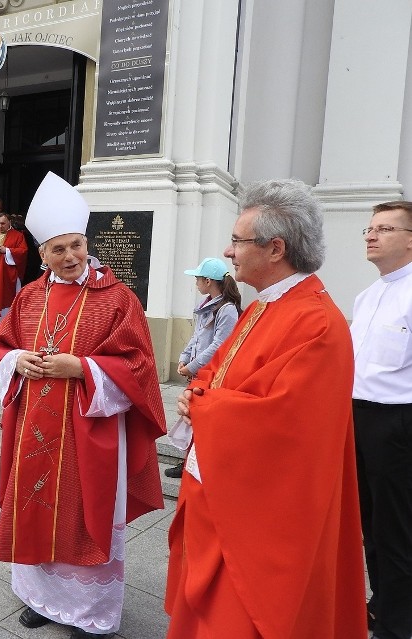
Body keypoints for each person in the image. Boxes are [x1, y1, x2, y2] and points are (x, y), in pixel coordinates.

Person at [165, 180, 367, 638]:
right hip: (223, 492)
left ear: (275, 248)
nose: (228, 251)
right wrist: (194, 393)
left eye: (237, 240)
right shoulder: (264, 307)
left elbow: (288, 424)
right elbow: (217, 370)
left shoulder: (317, 322)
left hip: (261, 524)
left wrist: (206, 407)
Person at [0, 172, 166, 639]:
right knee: (34, 507)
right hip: (35, 430)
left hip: (90, 430)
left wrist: (82, 368)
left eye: (77, 246)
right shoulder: (28, 297)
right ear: (42, 254)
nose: (70, 257)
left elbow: (140, 366)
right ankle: (41, 599)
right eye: (58, 249)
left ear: (89, 244)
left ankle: (88, 611)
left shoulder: (118, 299)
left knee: (83, 515)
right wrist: (17, 360)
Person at [350, 200, 412, 639]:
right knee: (368, 523)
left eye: (385, 229)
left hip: (399, 426)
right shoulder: (367, 295)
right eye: (370, 228)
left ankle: (398, 622)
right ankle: (382, 602)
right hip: (358, 418)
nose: (372, 236)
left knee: (397, 529)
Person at [165, 257, 241, 479]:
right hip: (197, 372)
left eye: (198, 279)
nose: (196, 283)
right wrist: (184, 359)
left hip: (211, 374)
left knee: (201, 418)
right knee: (192, 417)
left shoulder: (226, 309)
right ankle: (188, 459)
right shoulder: (207, 306)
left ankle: (198, 461)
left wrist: (193, 366)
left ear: (208, 281)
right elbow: (196, 337)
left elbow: (220, 345)